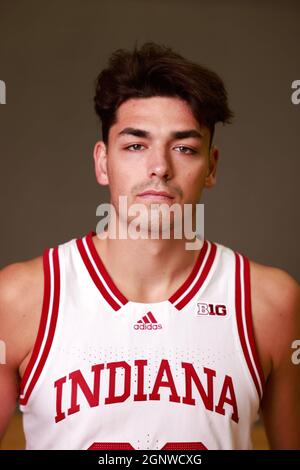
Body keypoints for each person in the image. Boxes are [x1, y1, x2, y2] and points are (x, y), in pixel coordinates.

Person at [0, 42, 299, 451]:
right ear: (103, 162)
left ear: (211, 167)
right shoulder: (20, 299)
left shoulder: (270, 303)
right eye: (136, 145)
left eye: (184, 148)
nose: (159, 166)